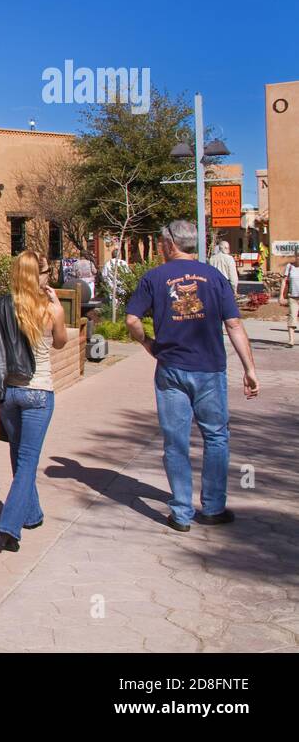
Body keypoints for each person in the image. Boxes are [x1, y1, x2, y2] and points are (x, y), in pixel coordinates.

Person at [125, 220, 259, 532]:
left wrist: (147, 343)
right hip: (210, 368)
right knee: (215, 436)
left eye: (160, 243)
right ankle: (212, 507)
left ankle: (182, 512)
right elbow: (234, 325)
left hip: (171, 367)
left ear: (170, 244)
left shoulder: (154, 278)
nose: (160, 247)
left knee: (176, 441)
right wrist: (250, 369)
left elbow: (132, 319)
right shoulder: (214, 277)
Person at [0, 250, 67, 552]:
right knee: (27, 464)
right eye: (47, 270)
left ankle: (33, 514)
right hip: (38, 393)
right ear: (39, 274)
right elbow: (62, 344)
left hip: (8, 395)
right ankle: (9, 527)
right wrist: (59, 310)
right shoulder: (49, 309)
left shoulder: (0, 308)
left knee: (18, 455)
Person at [282, 253, 299, 348]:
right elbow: (284, 281)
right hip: (293, 297)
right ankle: (291, 341)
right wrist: (281, 296)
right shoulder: (290, 267)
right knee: (292, 317)